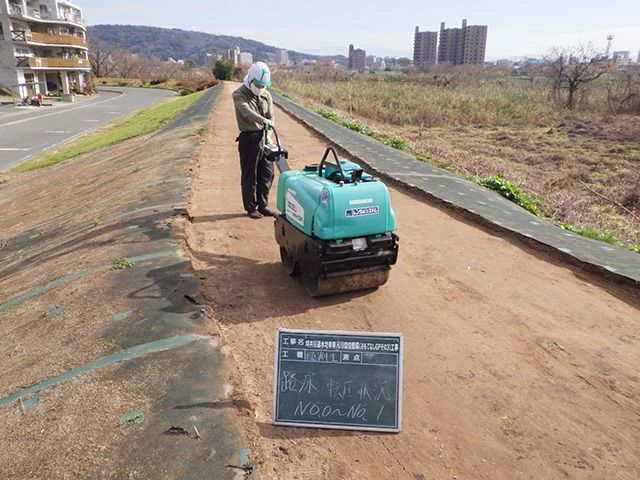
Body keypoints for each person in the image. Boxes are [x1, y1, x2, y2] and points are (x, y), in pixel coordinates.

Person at [232, 62, 276, 219]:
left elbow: (271, 115)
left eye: (263, 85)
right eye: (258, 84)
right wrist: (264, 121)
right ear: (250, 79)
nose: (260, 87)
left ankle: (263, 204)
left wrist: (269, 131)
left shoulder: (266, 94)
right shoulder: (239, 94)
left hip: (264, 136)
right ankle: (250, 207)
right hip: (249, 138)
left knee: (267, 173)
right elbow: (246, 112)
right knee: (250, 174)